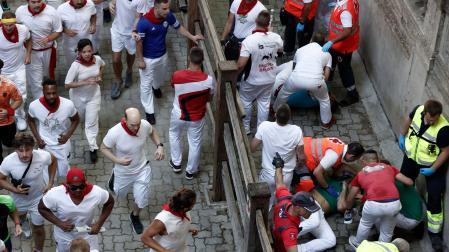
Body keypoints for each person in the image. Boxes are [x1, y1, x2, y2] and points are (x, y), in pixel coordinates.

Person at [136, 0, 203, 125]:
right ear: (156, 7)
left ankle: (156, 87)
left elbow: (179, 27)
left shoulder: (168, 16)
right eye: (165, 9)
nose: (168, 11)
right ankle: (149, 112)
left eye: (168, 8)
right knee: (145, 85)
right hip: (147, 59)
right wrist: (140, 60)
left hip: (162, 55)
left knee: (160, 77)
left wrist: (192, 37)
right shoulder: (143, 23)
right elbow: (139, 43)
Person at [100, 107, 164, 234]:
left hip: (142, 169)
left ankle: (134, 216)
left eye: (138, 124)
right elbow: (103, 148)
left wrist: (159, 146)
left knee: (141, 199)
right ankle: (113, 178)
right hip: (123, 171)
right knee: (120, 193)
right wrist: (117, 161)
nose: (136, 128)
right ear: (124, 120)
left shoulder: (144, 125)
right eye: (132, 125)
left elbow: (152, 132)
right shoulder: (114, 132)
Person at [398, 99, 449, 251]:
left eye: (434, 119)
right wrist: (402, 134)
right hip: (411, 158)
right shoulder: (418, 109)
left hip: (432, 165)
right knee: (404, 185)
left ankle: (435, 236)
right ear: (424, 112)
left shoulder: (443, 129)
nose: (431, 122)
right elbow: (408, 118)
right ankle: (409, 218)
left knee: (434, 196)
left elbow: (446, 151)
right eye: (429, 119)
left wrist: (433, 169)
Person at [345, 150, 414, 249]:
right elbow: (409, 182)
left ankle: (358, 244)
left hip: (373, 205)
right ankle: (382, 249)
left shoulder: (360, 174)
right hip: (394, 204)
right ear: (377, 160)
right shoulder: (390, 168)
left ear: (364, 161)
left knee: (365, 223)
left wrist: (348, 208)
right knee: (387, 232)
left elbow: (351, 195)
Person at [0, 133, 57, 252]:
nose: (24, 154)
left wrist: (50, 182)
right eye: (20, 150)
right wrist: (14, 189)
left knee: (39, 228)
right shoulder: (8, 162)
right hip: (18, 199)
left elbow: (53, 161)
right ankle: (23, 222)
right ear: (15, 149)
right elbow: (0, 179)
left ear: (33, 147)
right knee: (20, 217)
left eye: (28, 150)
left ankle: (38, 250)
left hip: (38, 199)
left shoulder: (42, 156)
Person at [38, 167, 114, 252]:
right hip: (64, 236)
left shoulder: (96, 192)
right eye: (74, 188)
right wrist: (59, 223)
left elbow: (110, 202)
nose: (78, 190)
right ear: (67, 184)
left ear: (85, 183)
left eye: (81, 187)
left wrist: (99, 224)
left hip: (88, 234)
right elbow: (41, 208)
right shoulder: (55, 194)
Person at [168, 47, 214, 179]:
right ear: (202, 60)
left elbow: (173, 87)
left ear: (189, 58)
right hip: (197, 117)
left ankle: (176, 163)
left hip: (178, 113)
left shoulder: (177, 75)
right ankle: (191, 171)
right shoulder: (209, 80)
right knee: (195, 142)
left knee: (174, 134)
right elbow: (210, 97)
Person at [273, 34, 335, 128]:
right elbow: (326, 76)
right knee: (324, 99)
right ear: (323, 44)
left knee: (283, 93)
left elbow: (293, 67)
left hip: (296, 78)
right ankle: (326, 122)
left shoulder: (300, 50)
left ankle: (275, 111)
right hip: (316, 81)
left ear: (311, 40)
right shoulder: (327, 54)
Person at [237, 10, 283, 134]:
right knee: (264, 103)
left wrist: (235, 76)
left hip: (252, 79)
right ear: (268, 24)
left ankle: (246, 128)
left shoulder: (249, 40)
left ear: (256, 22)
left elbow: (241, 63)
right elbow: (280, 49)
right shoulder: (276, 37)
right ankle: (261, 131)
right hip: (269, 78)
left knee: (246, 101)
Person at [250, 104, 303, 208]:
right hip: (286, 176)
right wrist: (300, 164)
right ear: (289, 116)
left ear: (275, 115)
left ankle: (264, 220)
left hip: (268, 174)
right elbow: (301, 156)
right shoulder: (297, 131)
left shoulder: (264, 126)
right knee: (282, 202)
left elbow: (252, 147)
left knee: (264, 201)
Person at [27, 78, 80, 179]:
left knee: (64, 174)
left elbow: (76, 120)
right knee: (47, 176)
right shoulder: (34, 106)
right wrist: (38, 139)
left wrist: (67, 136)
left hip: (62, 145)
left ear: (57, 91)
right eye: (48, 93)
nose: (51, 96)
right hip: (45, 145)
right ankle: (50, 191)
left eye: (54, 93)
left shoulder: (68, 104)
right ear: (43, 92)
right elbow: (30, 120)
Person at [65, 39, 105, 163]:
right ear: (79, 53)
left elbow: (103, 65)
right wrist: (85, 82)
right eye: (84, 52)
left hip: (94, 96)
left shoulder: (97, 59)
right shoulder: (75, 66)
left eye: (89, 51)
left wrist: (100, 75)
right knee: (82, 116)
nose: (87, 54)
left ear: (92, 50)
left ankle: (93, 148)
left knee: (91, 123)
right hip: (78, 98)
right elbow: (67, 84)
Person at [271, 152, 320, 252]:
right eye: (307, 210)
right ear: (297, 207)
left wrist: (278, 166)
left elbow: (279, 183)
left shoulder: (285, 199)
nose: (310, 213)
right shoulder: (290, 232)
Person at [16, 0, 62, 100]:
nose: (37, 4)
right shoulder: (20, 11)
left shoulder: (52, 12)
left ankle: (48, 94)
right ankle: (40, 104)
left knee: (46, 76)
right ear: (27, 1)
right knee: (36, 82)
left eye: (39, 1)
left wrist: (48, 38)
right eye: (33, 2)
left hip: (48, 51)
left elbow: (58, 31)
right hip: (31, 52)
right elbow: (18, 28)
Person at [322, 0, 360, 107]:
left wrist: (332, 41)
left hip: (342, 46)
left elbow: (347, 30)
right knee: (331, 61)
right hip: (339, 44)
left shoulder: (345, 11)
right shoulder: (350, 2)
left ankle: (352, 94)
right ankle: (328, 81)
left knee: (344, 69)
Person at [298, 136, 364, 198]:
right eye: (355, 159)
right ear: (351, 156)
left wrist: (357, 174)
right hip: (300, 158)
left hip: (304, 144)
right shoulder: (334, 155)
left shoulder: (340, 145)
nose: (354, 161)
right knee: (309, 185)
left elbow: (338, 166)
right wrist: (327, 187)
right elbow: (317, 172)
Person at [108, 0, 148, 99]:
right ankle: (118, 80)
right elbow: (113, 1)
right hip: (117, 30)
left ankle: (129, 71)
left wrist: (134, 30)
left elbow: (139, 17)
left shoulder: (141, 1)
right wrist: (111, 4)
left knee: (130, 54)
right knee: (115, 59)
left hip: (132, 32)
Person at [0, 11, 32, 131]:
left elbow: (29, 40)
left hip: (19, 68)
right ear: (2, 23)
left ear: (15, 23)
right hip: (2, 71)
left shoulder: (23, 29)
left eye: (11, 25)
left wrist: (28, 54)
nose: (9, 28)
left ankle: (20, 116)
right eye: (6, 25)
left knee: (22, 95)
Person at [57, 0, 97, 68]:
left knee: (87, 64)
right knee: (73, 65)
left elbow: (93, 15)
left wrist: (93, 25)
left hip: (86, 44)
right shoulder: (61, 9)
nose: (79, 2)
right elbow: (56, 25)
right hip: (70, 45)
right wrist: (65, 30)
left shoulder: (90, 4)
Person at [0, 62, 23, 164]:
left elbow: (19, 99)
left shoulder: (9, 85)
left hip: (7, 123)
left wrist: (8, 111)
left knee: (9, 143)